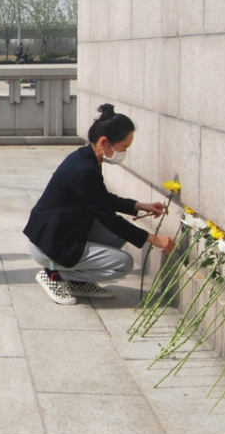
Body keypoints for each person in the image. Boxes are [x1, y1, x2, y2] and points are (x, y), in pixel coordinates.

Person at [23, 104, 175, 305]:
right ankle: (53, 274)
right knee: (123, 263)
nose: (124, 152)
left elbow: (103, 198)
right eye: (124, 147)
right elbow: (109, 218)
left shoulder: (86, 158)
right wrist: (153, 239)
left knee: (118, 232)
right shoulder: (83, 170)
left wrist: (140, 206)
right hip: (50, 244)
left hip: (56, 233)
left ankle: (78, 281)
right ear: (104, 142)